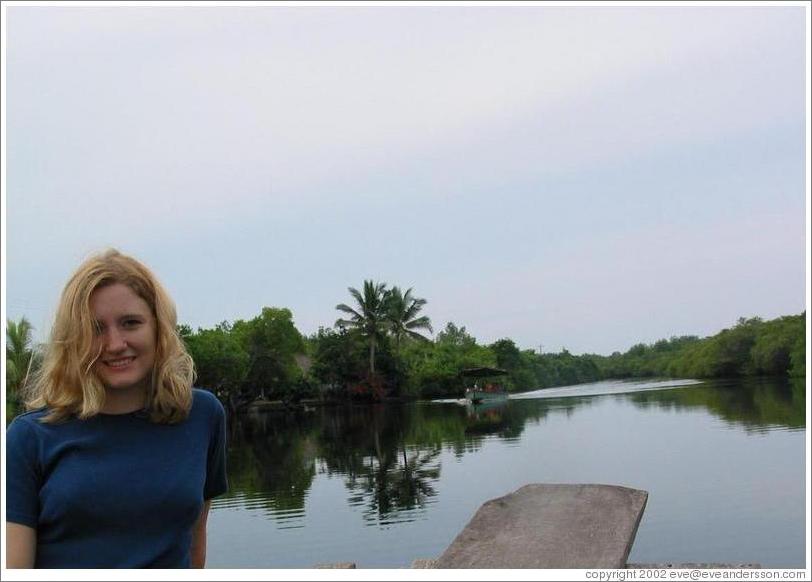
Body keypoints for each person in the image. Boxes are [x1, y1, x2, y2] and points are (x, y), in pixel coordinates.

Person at [5, 249, 228, 568]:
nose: (114, 344)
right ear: (74, 339)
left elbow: (194, 544)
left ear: (158, 328)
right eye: (96, 329)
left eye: (131, 323)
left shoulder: (202, 416)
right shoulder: (27, 438)